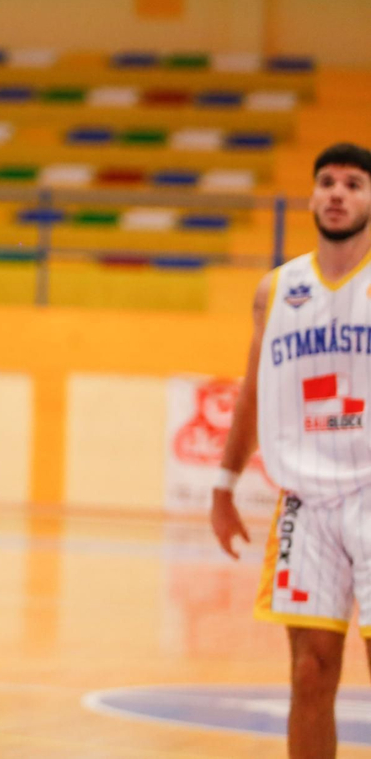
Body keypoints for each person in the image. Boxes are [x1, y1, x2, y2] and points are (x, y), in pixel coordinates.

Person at [210, 142, 371, 759]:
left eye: (353, 184)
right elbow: (253, 392)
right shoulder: (276, 290)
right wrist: (223, 489)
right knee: (309, 673)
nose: (337, 193)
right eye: (326, 181)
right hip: (307, 501)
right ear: (311, 196)